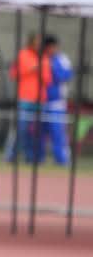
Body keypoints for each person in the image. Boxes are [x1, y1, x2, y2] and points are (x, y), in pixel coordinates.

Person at [5, 33, 52, 163]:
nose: (39, 43)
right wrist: (31, 69)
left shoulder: (45, 58)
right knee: (21, 129)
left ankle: (31, 158)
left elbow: (48, 79)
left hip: (40, 100)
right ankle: (11, 156)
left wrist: (41, 71)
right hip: (25, 99)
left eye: (40, 41)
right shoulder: (23, 54)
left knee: (36, 131)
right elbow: (14, 74)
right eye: (37, 40)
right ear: (31, 41)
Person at [41, 35, 73, 165]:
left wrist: (53, 67)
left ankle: (61, 160)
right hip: (41, 101)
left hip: (57, 103)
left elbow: (67, 76)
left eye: (52, 47)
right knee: (40, 132)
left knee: (57, 132)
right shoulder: (41, 58)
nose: (50, 49)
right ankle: (39, 158)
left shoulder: (62, 59)